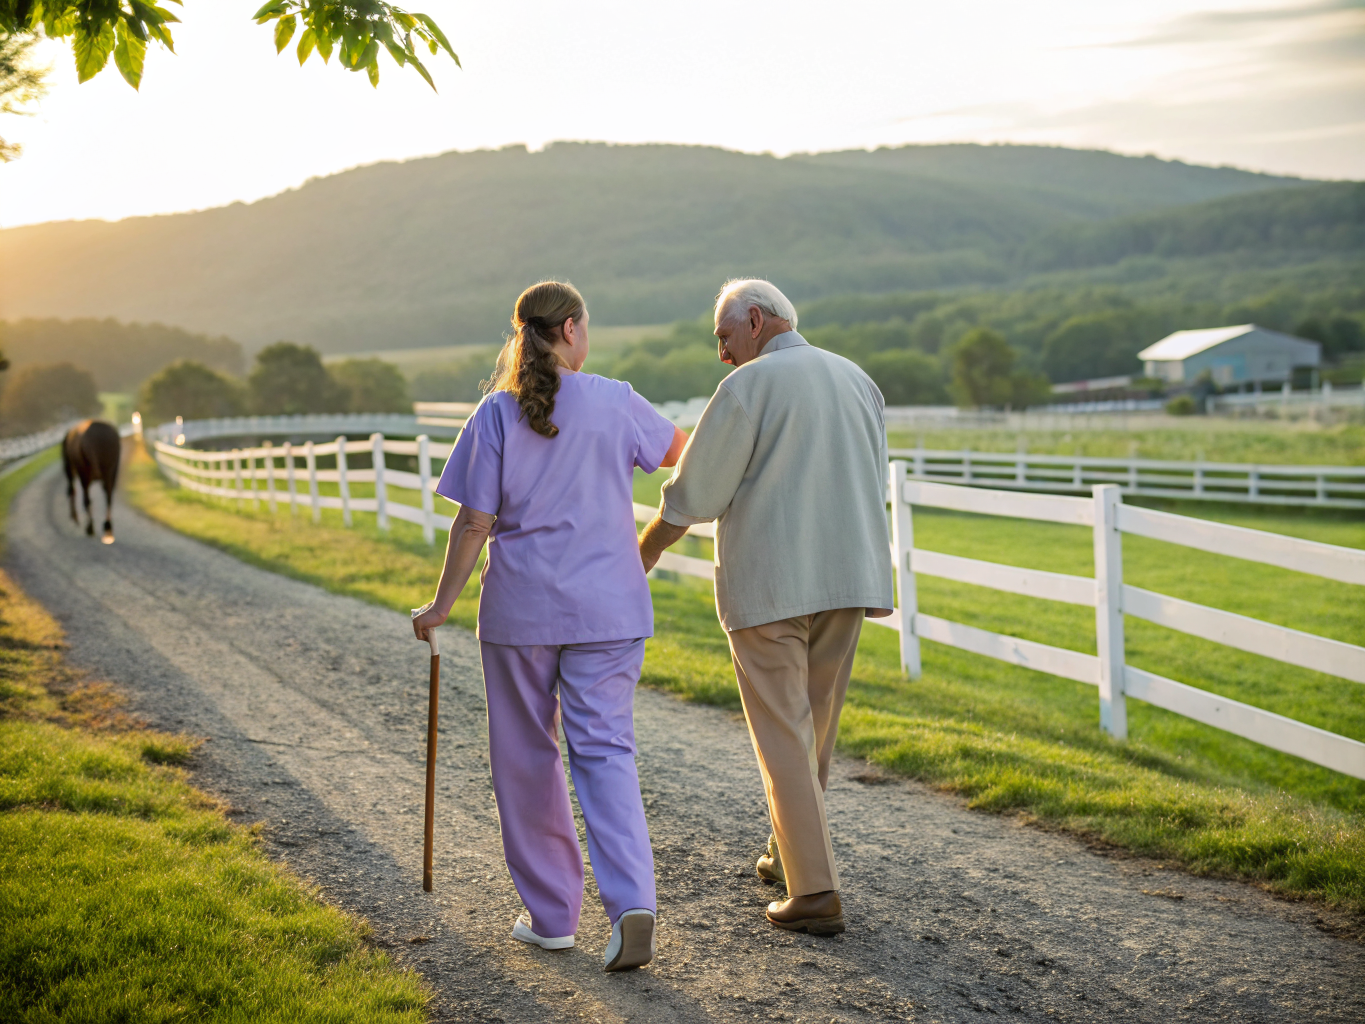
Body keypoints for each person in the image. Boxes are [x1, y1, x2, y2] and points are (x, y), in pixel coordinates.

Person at [412, 280, 686, 971]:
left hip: (521, 612)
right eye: (585, 326)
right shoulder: (617, 400)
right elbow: (684, 452)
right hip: (611, 609)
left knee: (527, 758)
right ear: (569, 330)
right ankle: (631, 904)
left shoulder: (496, 414)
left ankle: (551, 916)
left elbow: (475, 521)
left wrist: (440, 605)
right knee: (606, 751)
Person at [638, 278, 893, 936]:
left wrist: (639, 555)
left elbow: (691, 494)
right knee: (814, 728)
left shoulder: (748, 387)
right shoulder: (857, 380)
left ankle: (813, 893)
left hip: (772, 584)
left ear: (755, 320)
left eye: (724, 337)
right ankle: (788, 856)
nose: (721, 354)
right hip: (846, 577)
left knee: (782, 732)